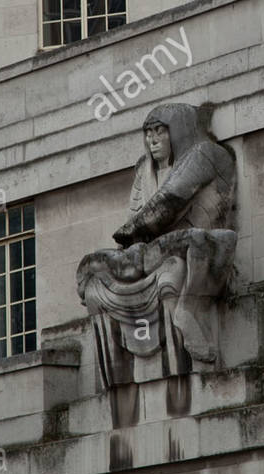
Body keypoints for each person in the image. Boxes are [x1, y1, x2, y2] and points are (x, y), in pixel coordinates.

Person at [76, 103, 237, 383]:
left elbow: (169, 202)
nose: (152, 139)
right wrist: (128, 250)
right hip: (154, 252)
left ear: (178, 132)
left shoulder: (206, 154)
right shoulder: (143, 170)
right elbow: (135, 214)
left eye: (160, 131)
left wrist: (129, 240)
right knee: (95, 278)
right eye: (148, 133)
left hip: (198, 247)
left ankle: (188, 311)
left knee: (179, 260)